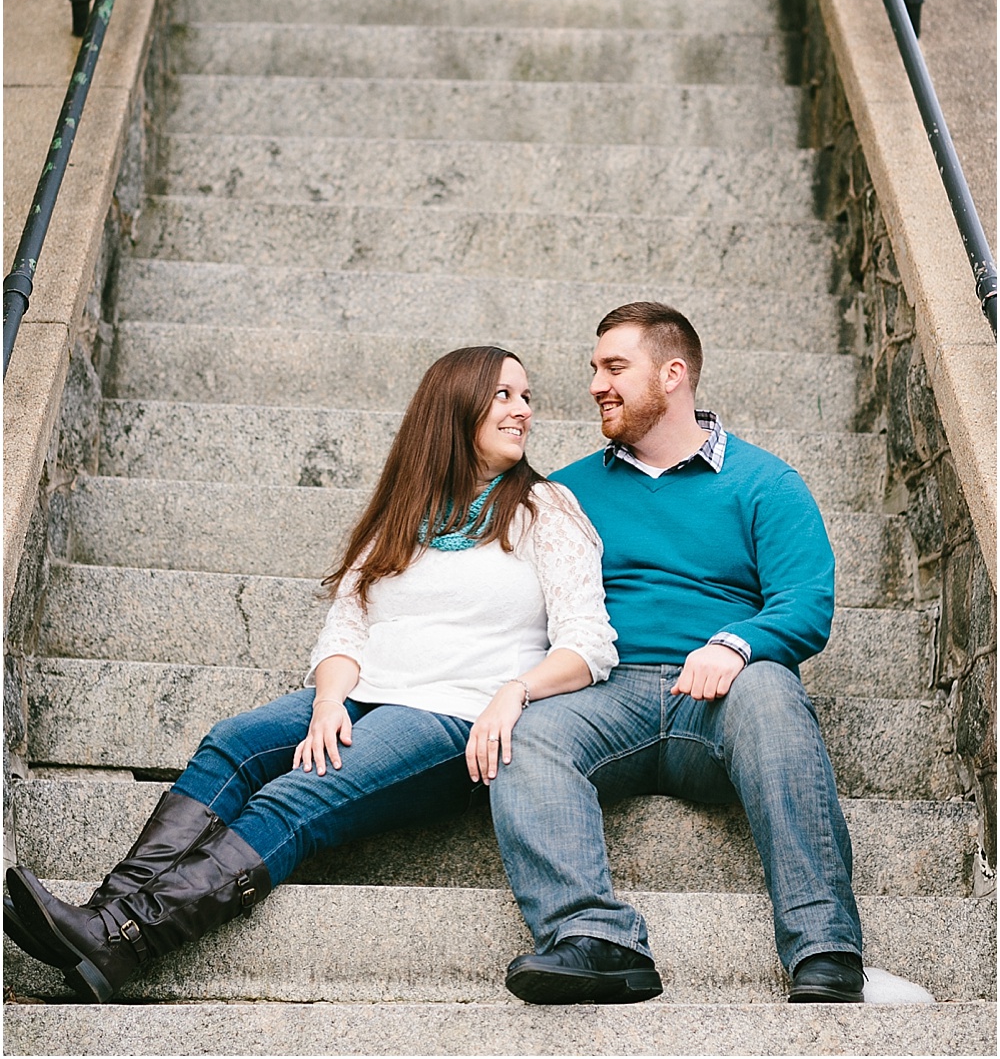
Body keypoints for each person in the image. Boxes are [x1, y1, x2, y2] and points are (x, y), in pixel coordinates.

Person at [5, 345, 617, 1004]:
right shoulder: (404, 511)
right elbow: (347, 626)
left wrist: (515, 691)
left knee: (294, 796)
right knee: (235, 739)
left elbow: (589, 644)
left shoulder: (547, 511)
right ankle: (104, 919)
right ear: (454, 404)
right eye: (504, 395)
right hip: (362, 694)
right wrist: (329, 700)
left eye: (526, 397)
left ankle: (131, 939)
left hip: (455, 718)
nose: (523, 409)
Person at [491, 302, 865, 1007]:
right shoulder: (565, 491)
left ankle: (825, 947)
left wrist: (737, 643)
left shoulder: (766, 483)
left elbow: (806, 603)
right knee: (529, 733)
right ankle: (593, 939)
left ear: (673, 374)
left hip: (722, 702)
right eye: (594, 369)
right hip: (607, 693)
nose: (597, 384)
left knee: (772, 689)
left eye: (614, 368)